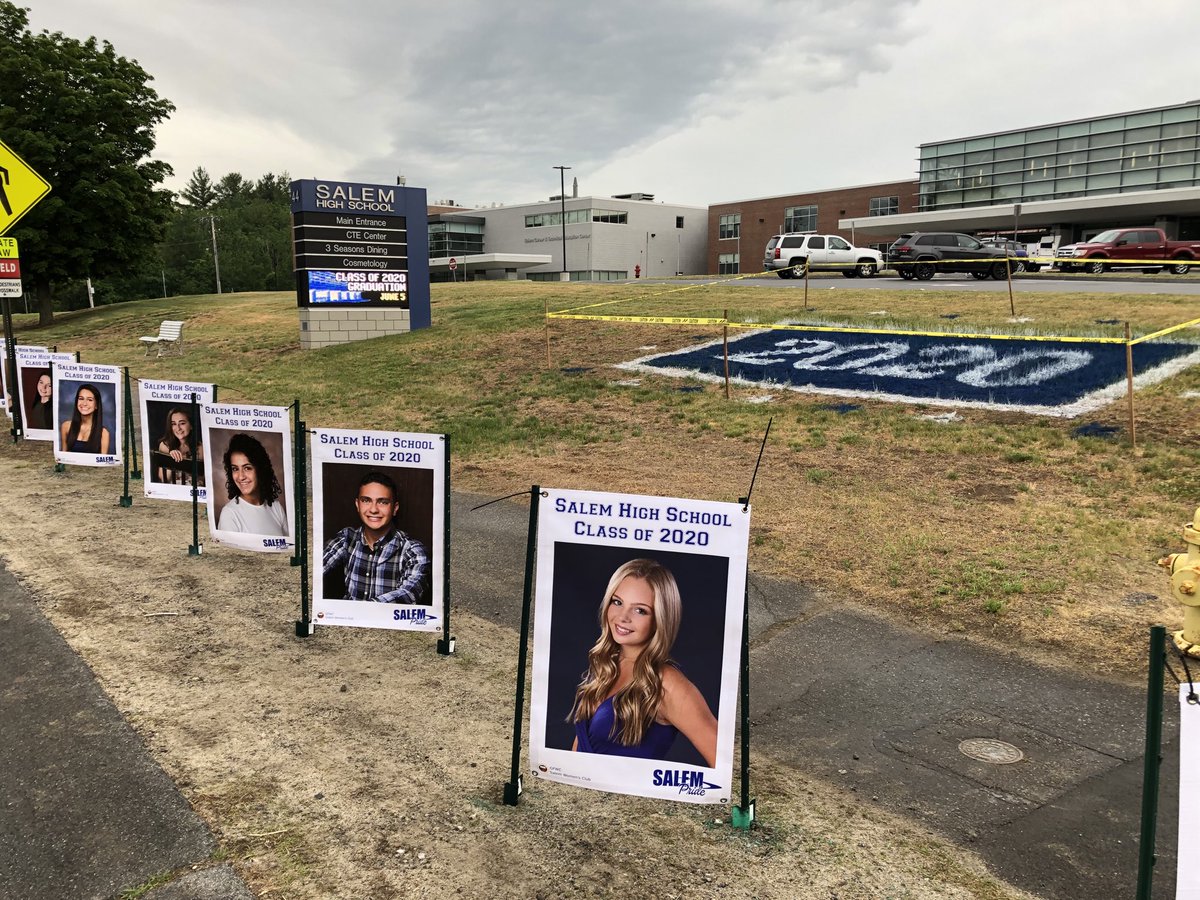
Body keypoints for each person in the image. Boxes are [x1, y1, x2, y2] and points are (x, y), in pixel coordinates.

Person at [569, 558, 717, 766]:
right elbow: (581, 747)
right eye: (617, 602)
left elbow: (723, 758)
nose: (622, 617)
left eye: (640, 610)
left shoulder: (667, 683)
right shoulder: (606, 665)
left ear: (660, 618)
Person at [322, 471, 430, 605]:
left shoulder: (412, 550)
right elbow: (316, 568)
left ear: (395, 508)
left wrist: (364, 610)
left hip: (387, 624)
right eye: (366, 500)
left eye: (383, 502)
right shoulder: (346, 538)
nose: (373, 509)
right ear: (357, 505)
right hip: (348, 623)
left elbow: (409, 593)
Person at [216, 433, 288, 536]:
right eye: (235, 469)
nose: (241, 477)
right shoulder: (229, 514)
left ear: (260, 469)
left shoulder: (276, 507)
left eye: (247, 468)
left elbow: (289, 548)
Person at [155, 407, 203, 486]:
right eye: (173, 424)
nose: (178, 428)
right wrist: (170, 459)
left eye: (182, 423)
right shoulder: (165, 445)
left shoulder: (200, 448)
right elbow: (164, 479)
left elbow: (202, 480)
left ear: (191, 426)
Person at [60, 383, 111, 454]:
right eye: (81, 398)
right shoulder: (65, 426)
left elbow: (102, 463)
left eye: (90, 400)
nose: (84, 403)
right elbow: (63, 458)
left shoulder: (104, 433)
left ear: (96, 405)